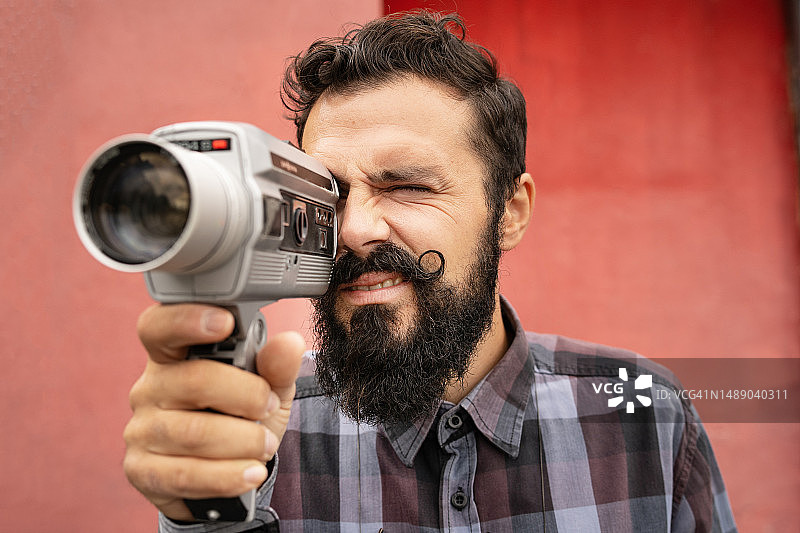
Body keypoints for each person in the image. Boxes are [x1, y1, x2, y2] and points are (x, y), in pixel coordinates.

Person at [123, 11, 737, 532]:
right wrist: (202, 516)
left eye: (410, 185)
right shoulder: (256, 436)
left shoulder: (646, 415)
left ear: (510, 212)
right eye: (330, 194)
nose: (355, 228)